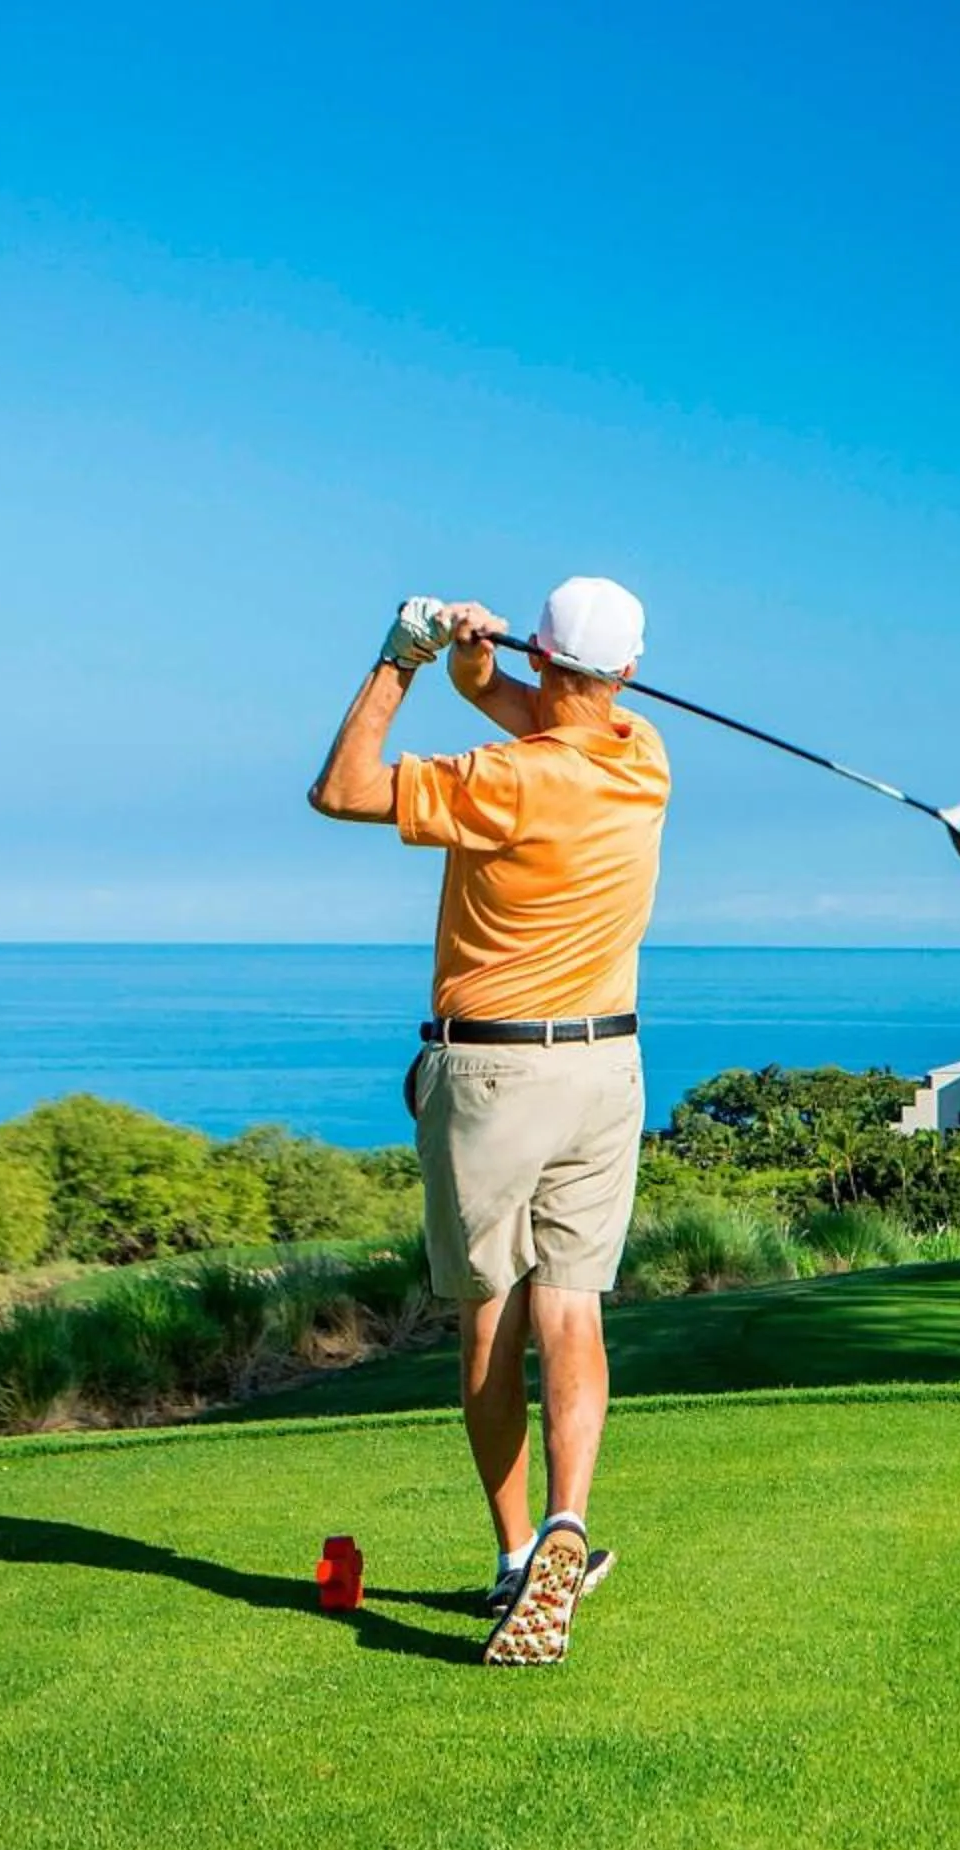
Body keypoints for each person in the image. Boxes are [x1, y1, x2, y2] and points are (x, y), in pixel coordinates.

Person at [307, 580, 670, 1666]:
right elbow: (535, 712)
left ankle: (518, 1557)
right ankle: (570, 1517)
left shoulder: (501, 782)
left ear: (543, 648)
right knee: (573, 1309)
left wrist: (401, 656)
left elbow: (342, 788)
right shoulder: (643, 754)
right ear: (628, 676)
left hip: (495, 1078)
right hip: (609, 1068)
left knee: (488, 1317)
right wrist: (476, 671)